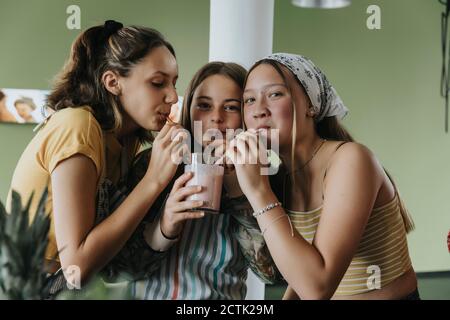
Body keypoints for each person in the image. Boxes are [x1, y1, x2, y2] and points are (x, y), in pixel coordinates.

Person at [6, 20, 183, 296]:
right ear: (112, 82)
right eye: (158, 83)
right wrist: (153, 181)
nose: (172, 96)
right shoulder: (78, 125)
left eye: (174, 83)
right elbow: (75, 268)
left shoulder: (126, 144)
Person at [226, 53, 418, 300]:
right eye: (249, 100)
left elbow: (317, 287)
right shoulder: (284, 177)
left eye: (274, 94)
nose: (258, 110)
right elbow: (302, 267)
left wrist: (258, 192)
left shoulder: (351, 160)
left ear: (311, 104)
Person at [124, 61, 280, 299]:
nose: (216, 118)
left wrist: (240, 194)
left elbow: (270, 274)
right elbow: (122, 269)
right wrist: (164, 228)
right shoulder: (153, 163)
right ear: (189, 109)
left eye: (230, 107)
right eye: (205, 105)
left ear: (246, 116)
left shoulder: (261, 172)